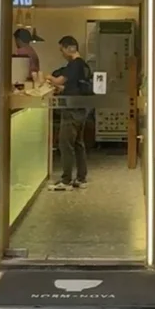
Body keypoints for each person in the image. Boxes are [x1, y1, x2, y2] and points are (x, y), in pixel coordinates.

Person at [49, 35, 93, 192]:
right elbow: (73, 87)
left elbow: (59, 81)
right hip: (81, 109)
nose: (62, 54)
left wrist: (47, 77)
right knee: (78, 144)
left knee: (65, 143)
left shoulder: (74, 64)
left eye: (62, 50)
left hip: (72, 110)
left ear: (70, 48)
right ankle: (81, 178)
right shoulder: (84, 65)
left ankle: (66, 180)